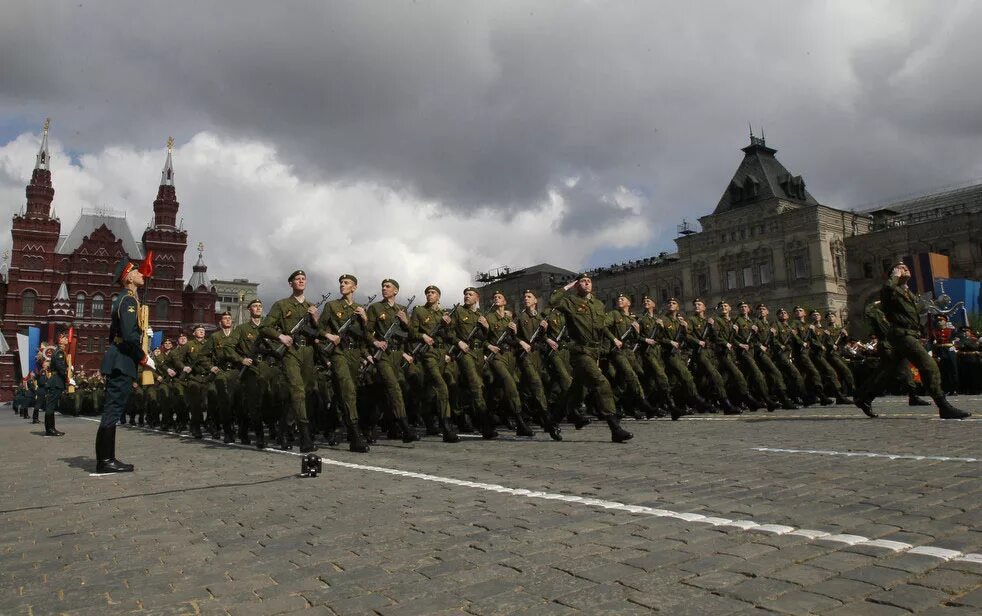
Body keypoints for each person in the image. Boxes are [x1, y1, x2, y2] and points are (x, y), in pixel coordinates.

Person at [855, 262, 970, 419]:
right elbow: (887, 290)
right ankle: (943, 406)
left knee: (888, 371)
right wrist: (894, 276)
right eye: (900, 268)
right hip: (902, 334)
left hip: (907, 334)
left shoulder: (907, 293)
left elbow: (915, 310)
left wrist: (936, 303)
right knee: (929, 366)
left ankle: (864, 397)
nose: (905, 268)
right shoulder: (890, 289)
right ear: (894, 273)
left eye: (906, 267)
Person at [549, 274, 633, 443]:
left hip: (593, 352)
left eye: (589, 281)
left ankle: (552, 421)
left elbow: (600, 331)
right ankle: (614, 427)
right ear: (577, 285)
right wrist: (567, 287)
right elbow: (553, 301)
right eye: (582, 281)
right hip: (579, 351)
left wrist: (599, 355)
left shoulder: (599, 304)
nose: (586, 283)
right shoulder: (570, 301)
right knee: (601, 383)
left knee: (576, 390)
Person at [96, 256, 156, 473]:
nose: (142, 274)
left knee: (113, 409)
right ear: (128, 277)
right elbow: (129, 337)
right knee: (113, 410)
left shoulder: (125, 299)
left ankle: (107, 458)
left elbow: (116, 333)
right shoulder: (128, 300)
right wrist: (144, 356)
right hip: (122, 361)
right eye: (137, 271)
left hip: (119, 358)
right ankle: (105, 461)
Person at [260, 269, 322, 452]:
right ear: (291, 284)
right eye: (297, 279)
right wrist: (280, 337)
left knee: (306, 393)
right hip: (291, 352)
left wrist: (315, 318)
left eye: (303, 279)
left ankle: (284, 430)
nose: (301, 281)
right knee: (298, 391)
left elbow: (318, 333)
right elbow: (265, 327)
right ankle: (305, 437)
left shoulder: (311, 306)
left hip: (308, 352)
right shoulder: (281, 305)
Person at [44, 330, 70, 436]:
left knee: (52, 405)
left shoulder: (59, 352)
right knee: (51, 406)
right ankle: (50, 429)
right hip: (56, 381)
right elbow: (61, 368)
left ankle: (51, 428)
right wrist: (67, 377)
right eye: (65, 338)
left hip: (56, 380)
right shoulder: (59, 352)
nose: (67, 339)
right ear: (60, 340)